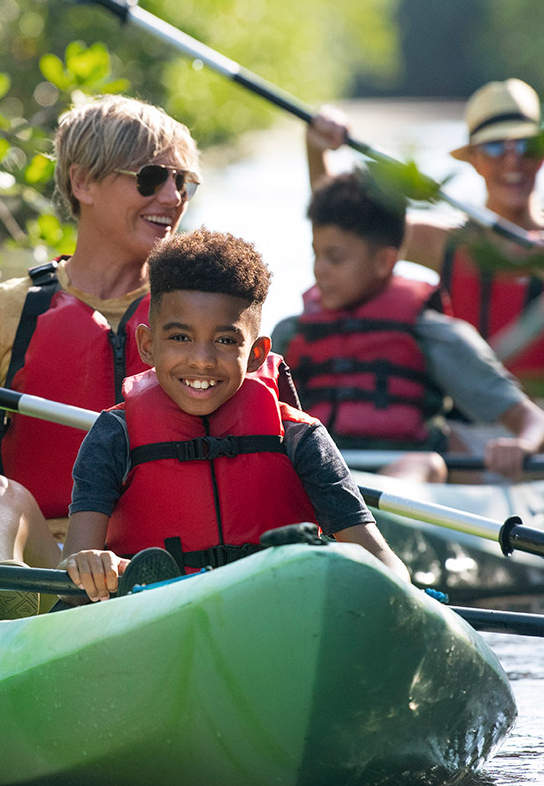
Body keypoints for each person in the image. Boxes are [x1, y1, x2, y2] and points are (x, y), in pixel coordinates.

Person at [0, 95, 200, 620]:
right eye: (151, 178)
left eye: (183, 182)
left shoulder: (202, 308)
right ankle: (6, 621)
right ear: (83, 183)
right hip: (52, 564)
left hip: (163, 564)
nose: (171, 197)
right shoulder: (10, 312)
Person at [58, 229, 408, 603]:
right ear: (147, 345)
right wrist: (90, 567)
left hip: (276, 613)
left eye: (226, 341)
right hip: (154, 617)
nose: (202, 360)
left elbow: (384, 562)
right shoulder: (114, 435)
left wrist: (391, 589)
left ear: (256, 354)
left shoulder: (300, 438)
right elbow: (74, 566)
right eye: (180, 337)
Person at [273, 170, 544, 484]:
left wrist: (522, 445)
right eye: (316, 254)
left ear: (384, 262)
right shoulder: (292, 333)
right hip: (319, 480)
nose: (319, 269)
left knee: (424, 463)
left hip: (407, 484)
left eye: (335, 259)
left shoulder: (435, 335)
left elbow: (532, 419)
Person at [306, 79, 544, 388]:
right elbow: (344, 224)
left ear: (543, 156)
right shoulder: (444, 243)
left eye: (525, 145)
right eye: (494, 147)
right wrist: (316, 145)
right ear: (475, 160)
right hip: (470, 426)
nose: (512, 160)